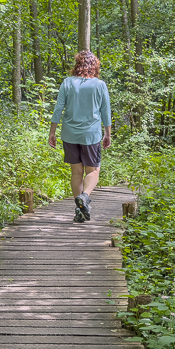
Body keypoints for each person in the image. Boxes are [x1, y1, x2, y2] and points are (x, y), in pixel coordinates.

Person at [48, 50, 112, 222]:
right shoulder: (100, 85)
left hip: (69, 134)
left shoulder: (67, 83)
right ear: (95, 66)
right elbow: (106, 112)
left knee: (76, 172)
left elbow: (58, 108)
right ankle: (85, 196)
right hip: (90, 135)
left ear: (77, 65)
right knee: (93, 170)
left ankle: (80, 211)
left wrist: (52, 132)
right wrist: (108, 134)